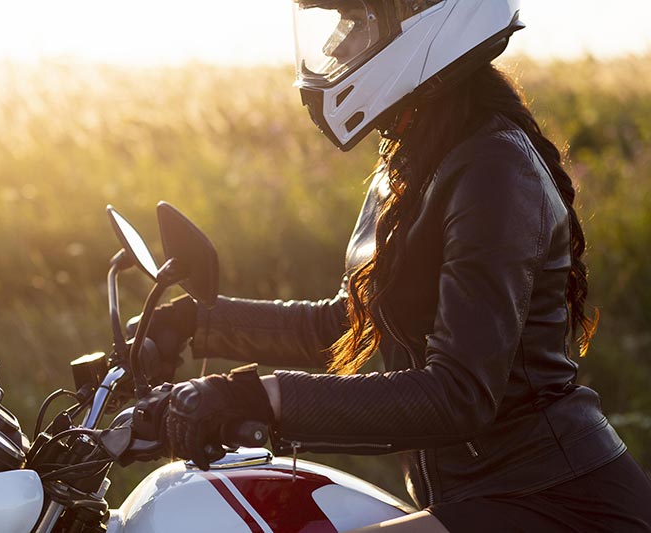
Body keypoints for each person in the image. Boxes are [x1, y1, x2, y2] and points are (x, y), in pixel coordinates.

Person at [139, 0, 651, 530]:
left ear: (425, 23)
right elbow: (349, 324)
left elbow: (460, 393)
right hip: (473, 495)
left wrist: (258, 397)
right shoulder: (413, 160)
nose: (337, 45)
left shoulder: (495, 170)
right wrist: (193, 324)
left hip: (555, 498)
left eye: (357, 23)